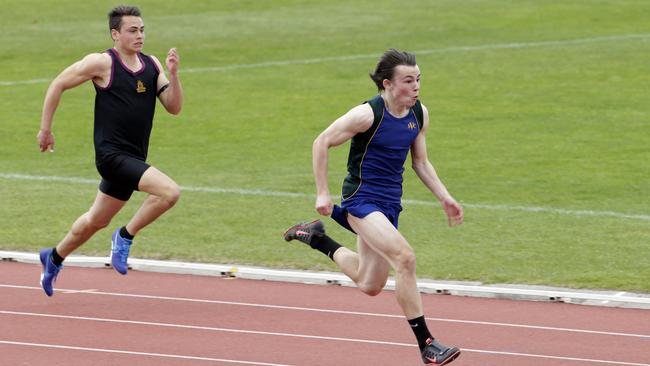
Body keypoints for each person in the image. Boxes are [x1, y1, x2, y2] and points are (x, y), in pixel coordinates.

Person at [284, 49, 463, 364]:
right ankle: (427, 344)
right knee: (405, 258)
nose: (416, 86)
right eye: (408, 81)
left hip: (390, 204)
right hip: (362, 198)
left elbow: (420, 161)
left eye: (418, 79)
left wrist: (444, 196)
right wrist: (322, 192)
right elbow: (321, 141)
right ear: (388, 84)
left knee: (369, 283)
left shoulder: (419, 113)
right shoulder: (367, 114)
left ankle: (316, 237)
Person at [37, 5, 183, 296]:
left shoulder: (152, 65)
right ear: (115, 34)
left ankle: (53, 258)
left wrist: (174, 74)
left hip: (133, 158)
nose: (139, 35)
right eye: (132, 30)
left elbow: (174, 107)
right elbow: (58, 84)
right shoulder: (102, 63)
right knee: (169, 192)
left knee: (96, 220)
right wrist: (46, 129)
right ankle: (125, 236)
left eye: (142, 30)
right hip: (111, 156)